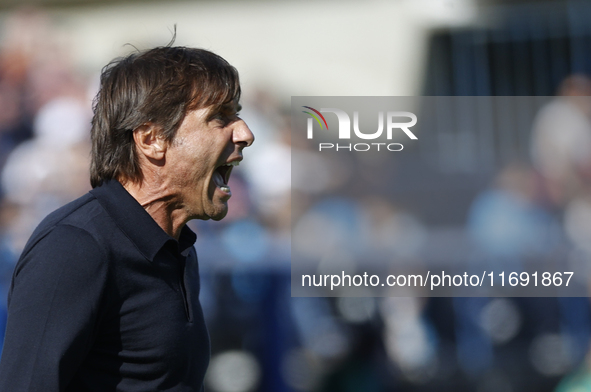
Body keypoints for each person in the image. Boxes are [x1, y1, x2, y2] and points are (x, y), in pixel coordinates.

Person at [0, 44, 254, 391]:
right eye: (220, 117)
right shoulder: (74, 246)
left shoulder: (177, 246)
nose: (245, 134)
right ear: (152, 139)